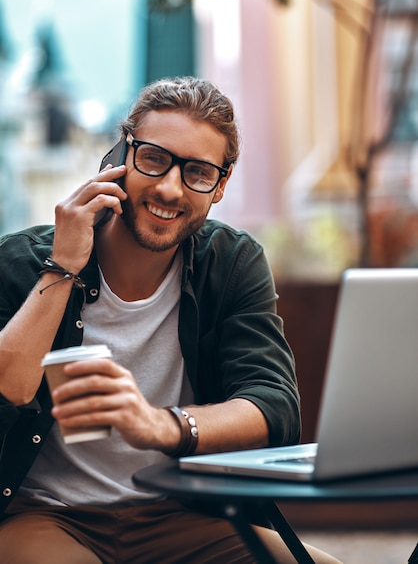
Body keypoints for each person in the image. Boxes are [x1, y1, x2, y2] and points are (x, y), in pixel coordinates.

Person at [0, 76, 343, 564]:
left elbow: (273, 407)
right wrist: (63, 265)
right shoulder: (21, 261)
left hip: (178, 514)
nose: (169, 188)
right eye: (155, 159)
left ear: (220, 185)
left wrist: (162, 426)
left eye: (198, 172)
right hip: (48, 515)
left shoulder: (231, 263)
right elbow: (10, 387)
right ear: (120, 155)